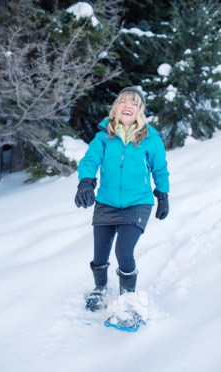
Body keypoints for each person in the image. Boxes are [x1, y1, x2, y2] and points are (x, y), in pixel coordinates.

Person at [75, 87, 169, 318]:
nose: (128, 106)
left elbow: (160, 169)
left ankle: (127, 297)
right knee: (100, 254)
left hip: (138, 203)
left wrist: (163, 195)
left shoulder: (150, 139)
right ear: (116, 107)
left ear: (140, 111)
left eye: (134, 103)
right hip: (106, 202)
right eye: (123, 102)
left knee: (124, 251)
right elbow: (90, 159)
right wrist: (86, 182)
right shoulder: (103, 136)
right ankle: (100, 288)